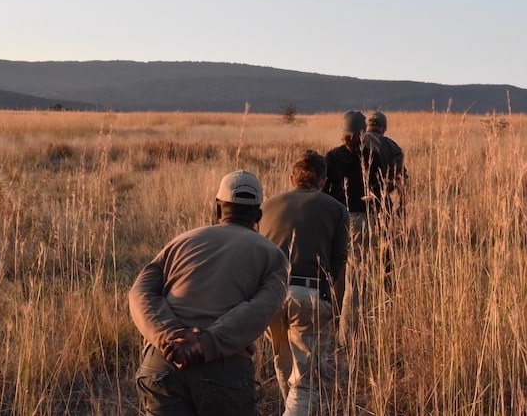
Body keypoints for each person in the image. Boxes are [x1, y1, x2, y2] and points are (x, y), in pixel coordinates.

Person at [128, 170, 289, 416]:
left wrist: (169, 335)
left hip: (162, 363)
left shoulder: (180, 241)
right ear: (258, 215)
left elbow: (140, 293)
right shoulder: (273, 256)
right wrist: (205, 343)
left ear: (217, 208)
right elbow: (260, 310)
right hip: (223, 370)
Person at [260, 150, 349, 415]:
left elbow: (257, 254)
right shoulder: (337, 209)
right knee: (306, 382)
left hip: (270, 296)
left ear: (291, 178)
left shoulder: (266, 207)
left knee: (283, 364)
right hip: (310, 294)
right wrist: (332, 303)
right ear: (323, 181)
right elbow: (338, 261)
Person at [323, 110, 388, 344]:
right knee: (356, 281)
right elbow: (380, 192)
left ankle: (329, 329)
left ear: (343, 132)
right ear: (363, 133)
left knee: (336, 276)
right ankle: (348, 337)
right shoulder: (372, 157)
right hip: (363, 220)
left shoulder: (332, 157)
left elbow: (323, 191)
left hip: (337, 221)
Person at [362, 111, 408, 220]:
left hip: (353, 201)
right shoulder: (393, 147)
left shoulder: (355, 142)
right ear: (384, 128)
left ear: (367, 126)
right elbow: (401, 180)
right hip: (381, 201)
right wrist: (402, 205)